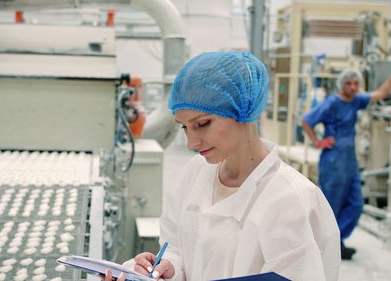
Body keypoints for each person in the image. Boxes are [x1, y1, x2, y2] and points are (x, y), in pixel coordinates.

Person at [104, 51, 340, 281]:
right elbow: (176, 248)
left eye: (202, 123)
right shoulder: (196, 171)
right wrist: (166, 269)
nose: (191, 142)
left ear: (242, 110)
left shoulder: (291, 199)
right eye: (184, 127)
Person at [301, 57, 391, 260]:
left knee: (356, 204)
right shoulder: (332, 103)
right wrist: (317, 142)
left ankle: (335, 240)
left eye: (356, 83)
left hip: (349, 161)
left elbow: (381, 94)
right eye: (349, 83)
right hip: (333, 161)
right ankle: (324, 245)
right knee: (331, 206)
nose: (353, 86)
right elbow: (306, 120)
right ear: (342, 84)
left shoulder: (356, 101)